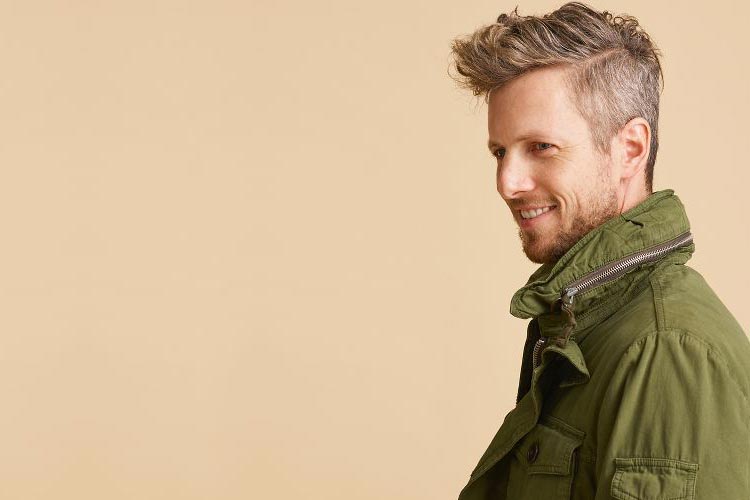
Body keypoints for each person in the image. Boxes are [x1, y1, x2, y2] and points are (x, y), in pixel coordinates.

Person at [448, 2, 750, 499]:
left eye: (541, 147)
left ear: (630, 149)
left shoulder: (664, 351)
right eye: (500, 151)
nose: (507, 182)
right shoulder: (584, 321)